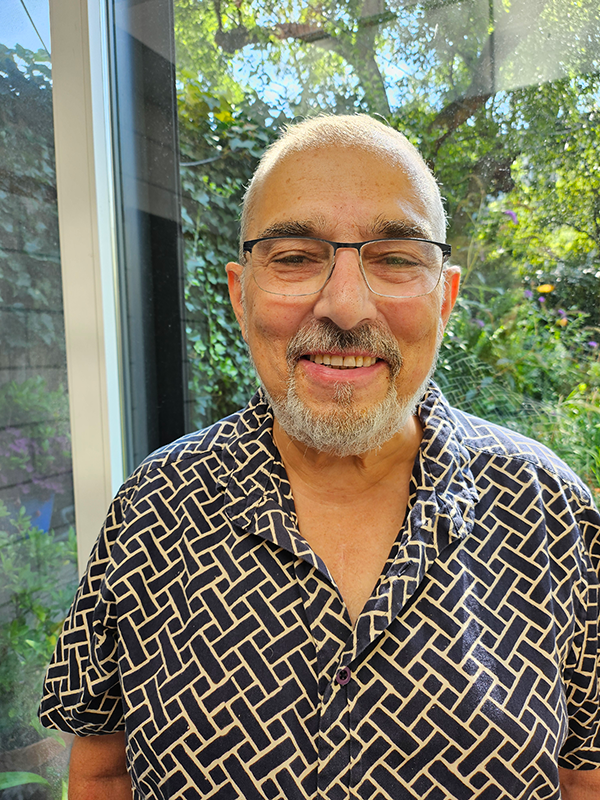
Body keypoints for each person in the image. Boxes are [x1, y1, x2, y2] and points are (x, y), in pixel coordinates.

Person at [40, 115, 600, 800]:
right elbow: (103, 770)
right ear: (240, 294)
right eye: (295, 257)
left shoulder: (552, 511)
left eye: (396, 259)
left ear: (445, 298)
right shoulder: (152, 509)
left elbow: (585, 776)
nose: (345, 306)